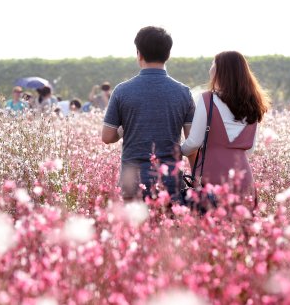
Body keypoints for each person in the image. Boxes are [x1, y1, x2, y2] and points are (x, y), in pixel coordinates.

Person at [102, 26, 195, 202]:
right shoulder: (183, 92)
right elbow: (192, 142)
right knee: (170, 229)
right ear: (168, 54)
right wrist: (197, 179)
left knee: (134, 229)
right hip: (171, 183)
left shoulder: (122, 91)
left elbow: (107, 137)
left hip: (132, 182)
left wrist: (124, 127)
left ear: (139, 54)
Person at [181, 51, 270, 209]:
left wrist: (177, 150)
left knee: (213, 225)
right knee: (242, 227)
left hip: (212, 176)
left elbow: (194, 142)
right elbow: (249, 149)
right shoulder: (253, 103)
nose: (210, 69)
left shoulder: (208, 100)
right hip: (243, 176)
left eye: (213, 64)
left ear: (221, 71)